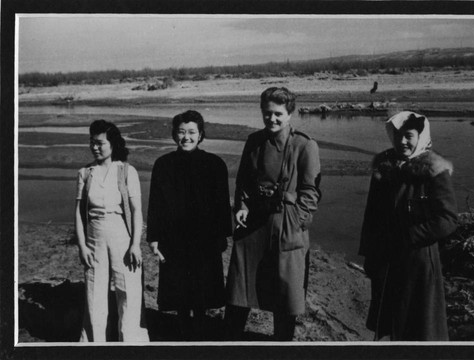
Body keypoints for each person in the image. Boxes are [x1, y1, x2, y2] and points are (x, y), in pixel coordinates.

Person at [224, 87, 321, 341]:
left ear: (290, 114)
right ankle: (230, 341)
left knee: (286, 293)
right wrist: (242, 207)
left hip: (285, 224)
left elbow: (311, 192)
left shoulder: (304, 145)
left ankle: (282, 344)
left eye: (278, 114)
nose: (272, 119)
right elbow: (243, 181)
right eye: (267, 114)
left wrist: (296, 221)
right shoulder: (254, 141)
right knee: (239, 285)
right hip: (254, 222)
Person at [359, 111, 458, 341]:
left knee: (419, 325)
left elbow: (448, 218)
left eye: (409, 136)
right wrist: (369, 255)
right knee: (390, 323)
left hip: (419, 261)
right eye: (397, 135)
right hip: (386, 260)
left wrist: (411, 235)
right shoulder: (384, 167)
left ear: (420, 137)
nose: (402, 141)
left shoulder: (433, 170)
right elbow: (371, 217)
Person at [146, 110, 232, 340]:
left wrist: (222, 235)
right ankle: (184, 330)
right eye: (181, 132)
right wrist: (153, 237)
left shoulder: (215, 164)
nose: (186, 137)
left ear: (201, 135)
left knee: (203, 289)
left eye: (192, 132)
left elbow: (222, 204)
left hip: (205, 240)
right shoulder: (163, 165)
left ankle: (201, 329)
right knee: (180, 291)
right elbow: (155, 204)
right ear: (174, 134)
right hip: (174, 240)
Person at [75, 120, 149, 342]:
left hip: (122, 239)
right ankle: (94, 345)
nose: (95, 147)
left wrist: (135, 244)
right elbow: (79, 213)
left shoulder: (127, 171)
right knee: (94, 295)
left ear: (113, 144)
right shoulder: (85, 173)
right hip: (94, 239)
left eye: (100, 143)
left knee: (128, 293)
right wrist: (82, 246)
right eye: (92, 143)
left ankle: (131, 343)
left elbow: (136, 212)